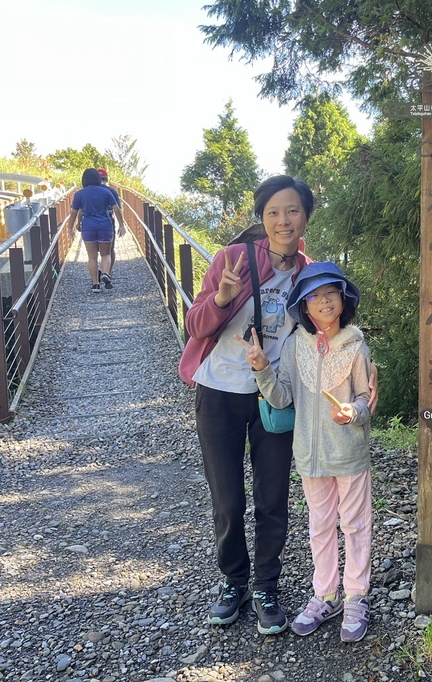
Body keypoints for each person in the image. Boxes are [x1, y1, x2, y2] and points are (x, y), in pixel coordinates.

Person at [178, 174, 316, 635]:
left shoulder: (309, 272)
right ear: (262, 217)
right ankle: (233, 581)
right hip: (218, 392)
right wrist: (221, 296)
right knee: (229, 500)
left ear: (305, 217)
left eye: (292, 210)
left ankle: (266, 585)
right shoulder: (232, 259)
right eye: (274, 211)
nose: (283, 220)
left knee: (273, 498)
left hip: (272, 395)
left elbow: (321, 333)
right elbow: (197, 325)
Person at [242, 261, 374, 642]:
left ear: (343, 299)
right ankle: (325, 595)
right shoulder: (294, 343)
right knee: (319, 528)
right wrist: (262, 368)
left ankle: (356, 597)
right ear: (304, 306)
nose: (324, 301)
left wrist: (354, 411)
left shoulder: (356, 345)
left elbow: (366, 399)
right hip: (310, 457)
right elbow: (282, 397)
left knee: (355, 525)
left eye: (331, 293)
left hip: (349, 453)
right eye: (314, 296)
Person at [68, 167, 125, 293]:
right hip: (105, 225)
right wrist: (121, 225)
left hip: (88, 227)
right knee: (106, 254)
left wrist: (70, 228)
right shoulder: (106, 192)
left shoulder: (80, 194)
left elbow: (74, 213)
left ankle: (95, 284)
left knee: (92, 257)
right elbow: (116, 209)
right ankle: (105, 273)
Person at [96, 168, 120, 279]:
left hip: (91, 223)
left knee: (93, 252)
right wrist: (122, 225)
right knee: (110, 249)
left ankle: (95, 277)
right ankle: (108, 273)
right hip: (108, 222)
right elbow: (117, 209)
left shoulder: (88, 190)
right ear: (106, 178)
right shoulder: (112, 191)